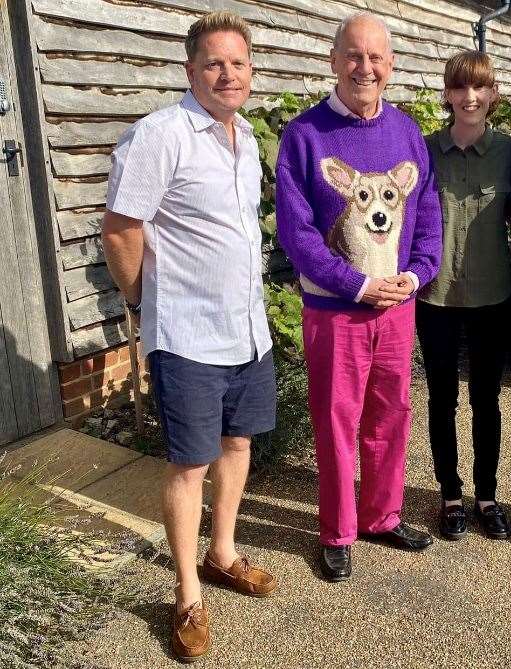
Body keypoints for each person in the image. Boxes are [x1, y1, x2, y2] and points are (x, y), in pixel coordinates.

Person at [102, 11, 277, 662]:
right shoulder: (160, 135)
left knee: (237, 443)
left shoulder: (246, 137)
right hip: (188, 335)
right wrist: (143, 300)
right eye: (213, 63)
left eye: (238, 63)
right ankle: (185, 594)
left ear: (250, 71)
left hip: (248, 330)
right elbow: (121, 227)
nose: (227, 74)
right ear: (190, 70)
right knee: (189, 464)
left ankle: (222, 552)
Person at [274, 12, 442, 582]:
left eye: (375, 57)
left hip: (397, 306)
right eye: (353, 55)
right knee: (336, 419)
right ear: (334, 61)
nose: (364, 67)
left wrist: (418, 274)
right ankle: (338, 530)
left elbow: (427, 213)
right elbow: (297, 235)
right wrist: (359, 284)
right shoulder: (305, 136)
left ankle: (381, 515)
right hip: (335, 310)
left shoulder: (407, 133)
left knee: (391, 415)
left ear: (390, 65)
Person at [417, 51, 511, 541]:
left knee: (487, 399)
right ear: (447, 94)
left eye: (479, 88)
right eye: (459, 88)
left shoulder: (510, 152)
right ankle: (451, 494)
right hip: (435, 295)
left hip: (493, 296)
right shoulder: (423, 150)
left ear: (493, 93)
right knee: (441, 398)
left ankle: (488, 494)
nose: (469, 97)